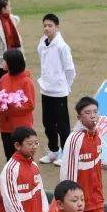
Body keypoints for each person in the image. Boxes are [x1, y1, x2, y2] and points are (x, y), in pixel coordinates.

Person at [36, 14, 75, 164]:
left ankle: (66, 153)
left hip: (59, 92)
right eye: (45, 25)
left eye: (50, 25)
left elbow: (70, 69)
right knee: (48, 123)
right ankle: (53, 150)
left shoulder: (62, 46)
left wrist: (65, 86)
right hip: (46, 90)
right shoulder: (42, 43)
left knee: (62, 124)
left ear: (57, 27)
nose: (47, 28)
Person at [0, 49, 36, 160]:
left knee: (24, 157)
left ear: (12, 63)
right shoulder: (3, 78)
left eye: (4, 60)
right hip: (5, 126)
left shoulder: (26, 82)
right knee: (9, 156)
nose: (2, 62)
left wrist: (10, 107)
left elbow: (30, 105)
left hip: (21, 127)